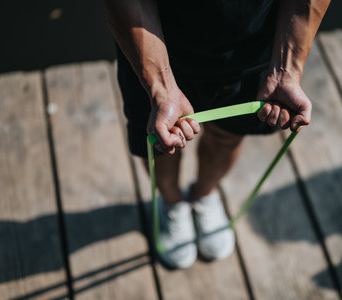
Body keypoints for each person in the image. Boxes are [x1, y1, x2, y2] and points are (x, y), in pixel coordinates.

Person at [102, 0, 330, 269]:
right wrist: (161, 87)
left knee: (227, 136)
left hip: (253, 47)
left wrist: (287, 69)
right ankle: (172, 203)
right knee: (165, 142)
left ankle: (203, 194)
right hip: (153, 44)